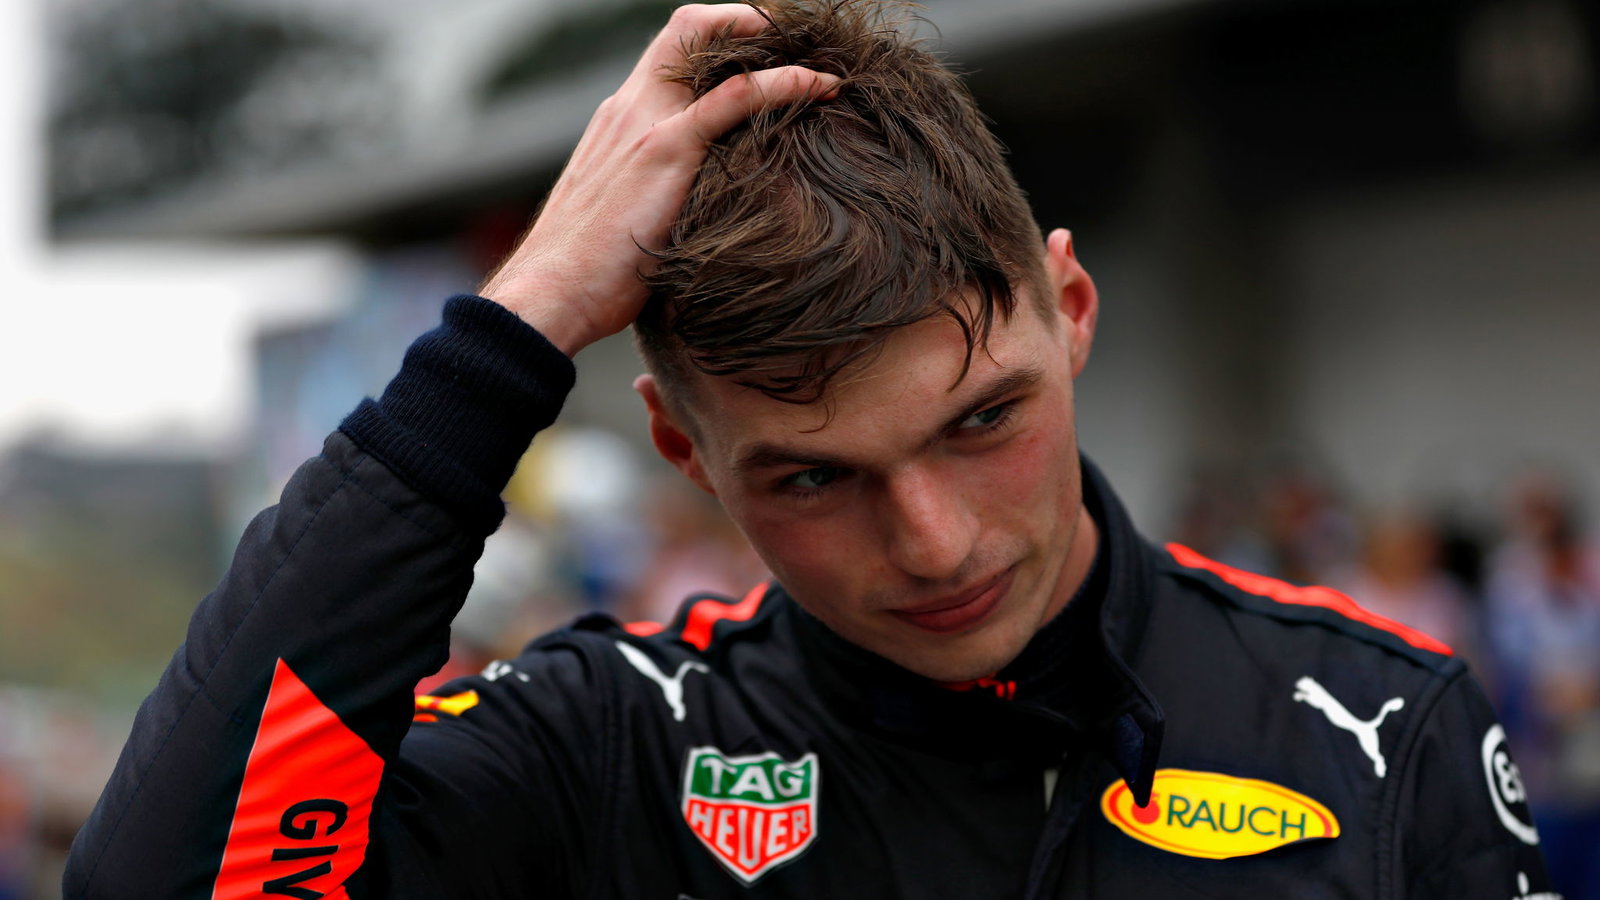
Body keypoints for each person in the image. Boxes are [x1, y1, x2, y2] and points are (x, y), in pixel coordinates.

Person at [66, 2, 1554, 897]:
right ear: (682, 449)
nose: (935, 542)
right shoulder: (612, 747)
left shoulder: (1378, 728)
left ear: (1073, 310)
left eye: (982, 421)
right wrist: (507, 338)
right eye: (812, 476)